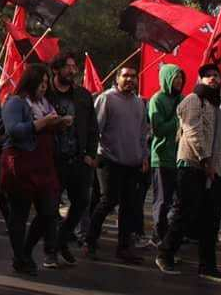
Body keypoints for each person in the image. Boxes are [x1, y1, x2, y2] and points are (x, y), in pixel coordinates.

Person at [155, 63, 221, 282]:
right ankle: (165, 253)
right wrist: (205, 160)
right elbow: (193, 131)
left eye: (216, 75)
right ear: (200, 79)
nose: (213, 78)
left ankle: (207, 266)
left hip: (218, 169)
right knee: (185, 212)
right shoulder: (194, 100)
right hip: (193, 166)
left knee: (211, 219)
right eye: (207, 75)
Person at [0, 64, 69, 275]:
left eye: (47, 83)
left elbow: (48, 126)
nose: (44, 87)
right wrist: (42, 123)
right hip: (21, 162)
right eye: (41, 83)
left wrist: (59, 123)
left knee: (49, 211)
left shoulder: (45, 104)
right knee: (19, 214)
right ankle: (20, 257)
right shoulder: (16, 102)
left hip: (44, 163)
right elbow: (14, 130)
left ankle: (26, 251)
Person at [85, 65, 148, 264]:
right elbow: (95, 129)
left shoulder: (139, 103)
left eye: (133, 76)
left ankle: (123, 248)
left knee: (129, 206)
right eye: (125, 76)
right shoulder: (107, 98)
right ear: (117, 78)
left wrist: (144, 156)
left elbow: (142, 133)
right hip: (109, 160)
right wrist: (92, 154)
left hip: (132, 162)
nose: (130, 79)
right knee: (108, 201)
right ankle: (90, 241)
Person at [47, 53, 99, 265]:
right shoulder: (46, 93)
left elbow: (93, 128)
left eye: (73, 67)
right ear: (56, 69)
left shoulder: (83, 95)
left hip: (78, 160)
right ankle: (50, 250)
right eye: (67, 66)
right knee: (50, 207)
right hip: (52, 160)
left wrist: (90, 154)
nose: (72, 70)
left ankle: (61, 240)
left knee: (81, 202)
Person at [147, 64, 184, 246]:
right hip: (162, 158)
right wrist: (178, 121)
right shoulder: (157, 99)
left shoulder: (183, 99)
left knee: (178, 201)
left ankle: (171, 235)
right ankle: (158, 235)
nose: (179, 81)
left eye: (181, 77)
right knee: (162, 201)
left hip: (180, 158)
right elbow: (158, 128)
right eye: (175, 77)